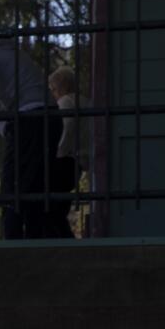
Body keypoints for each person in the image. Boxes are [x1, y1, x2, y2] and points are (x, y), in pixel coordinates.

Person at [0, 36, 72, 240]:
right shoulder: (9, 51)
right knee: (35, 187)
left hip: (30, 118)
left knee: (13, 189)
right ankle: (34, 243)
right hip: (47, 117)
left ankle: (13, 246)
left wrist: (7, 130)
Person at [50, 65, 91, 239]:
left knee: (52, 212)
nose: (52, 93)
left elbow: (63, 133)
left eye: (53, 89)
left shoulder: (65, 102)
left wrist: (53, 156)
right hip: (79, 164)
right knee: (58, 211)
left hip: (65, 162)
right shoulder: (87, 102)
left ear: (62, 87)